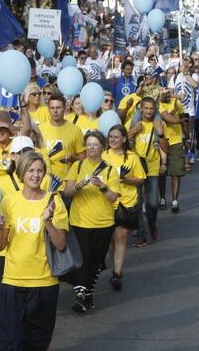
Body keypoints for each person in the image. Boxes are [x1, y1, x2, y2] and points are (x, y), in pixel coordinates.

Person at [0, 152, 68, 350]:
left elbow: (61, 244)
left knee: (37, 342)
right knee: (5, 340)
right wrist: (3, 229)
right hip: (13, 282)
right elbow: (0, 246)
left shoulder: (54, 202)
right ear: (22, 173)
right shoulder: (9, 202)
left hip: (44, 282)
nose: (35, 175)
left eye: (40, 170)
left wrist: (48, 222)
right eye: (30, 170)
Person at [63, 130, 121, 313]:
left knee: (96, 261)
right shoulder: (78, 166)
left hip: (103, 223)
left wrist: (102, 187)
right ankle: (80, 294)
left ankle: (87, 295)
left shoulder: (111, 170)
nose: (91, 148)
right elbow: (67, 192)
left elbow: (113, 198)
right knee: (83, 259)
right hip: (80, 221)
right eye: (88, 144)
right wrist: (78, 186)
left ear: (103, 148)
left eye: (95, 145)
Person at [103, 125, 145, 290]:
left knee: (120, 236)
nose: (112, 140)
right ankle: (115, 266)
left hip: (126, 202)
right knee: (110, 241)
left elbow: (140, 178)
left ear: (124, 139)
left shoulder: (132, 157)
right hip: (106, 202)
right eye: (110, 136)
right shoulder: (103, 156)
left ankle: (117, 274)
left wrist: (126, 180)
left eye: (116, 137)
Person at [128, 97, 168, 244]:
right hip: (136, 170)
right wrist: (133, 131)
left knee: (153, 203)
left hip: (152, 169)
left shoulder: (158, 124)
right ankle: (141, 234)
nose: (149, 111)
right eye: (146, 108)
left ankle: (152, 223)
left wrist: (161, 133)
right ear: (141, 109)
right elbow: (123, 141)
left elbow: (165, 147)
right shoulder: (135, 122)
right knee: (137, 204)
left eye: (151, 108)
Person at [38, 92, 85, 181]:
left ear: (64, 108)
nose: (55, 111)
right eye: (52, 108)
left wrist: (73, 158)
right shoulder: (40, 129)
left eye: (58, 108)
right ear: (48, 109)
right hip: (44, 182)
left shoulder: (76, 130)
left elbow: (83, 160)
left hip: (66, 182)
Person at [158, 87, 187, 213]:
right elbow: (167, 119)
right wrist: (175, 112)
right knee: (162, 173)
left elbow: (184, 119)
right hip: (162, 142)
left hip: (176, 141)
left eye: (168, 93)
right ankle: (163, 198)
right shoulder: (157, 106)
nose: (167, 95)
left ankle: (174, 200)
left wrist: (188, 137)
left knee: (176, 172)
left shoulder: (177, 103)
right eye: (163, 93)